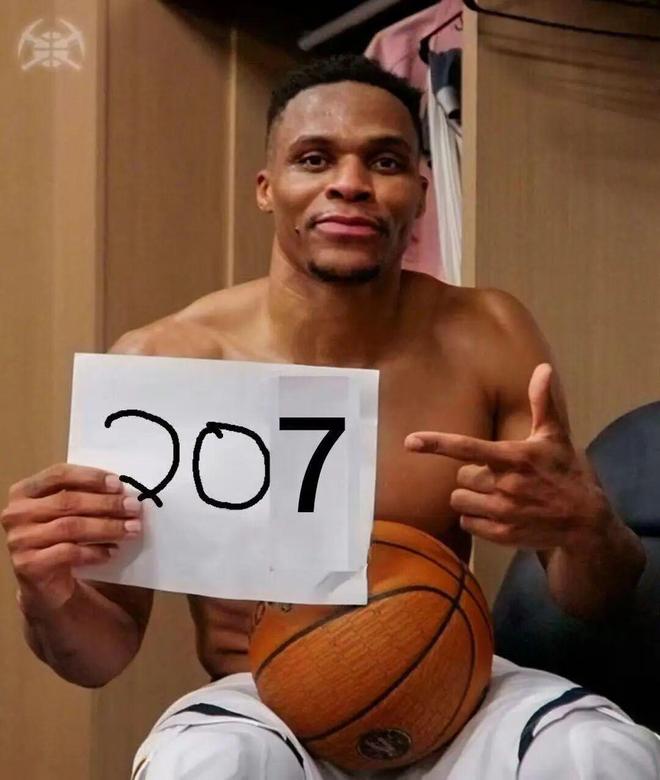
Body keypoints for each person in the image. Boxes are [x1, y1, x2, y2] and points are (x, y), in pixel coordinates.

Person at [2, 54, 659, 780]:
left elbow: (596, 599)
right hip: (267, 703)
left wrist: (586, 526)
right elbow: (100, 656)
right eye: (315, 158)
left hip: (454, 686)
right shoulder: (167, 361)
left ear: (421, 191)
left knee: (599, 751)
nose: (350, 182)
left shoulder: (488, 334)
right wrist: (47, 590)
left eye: (385, 160)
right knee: (206, 764)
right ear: (267, 187)